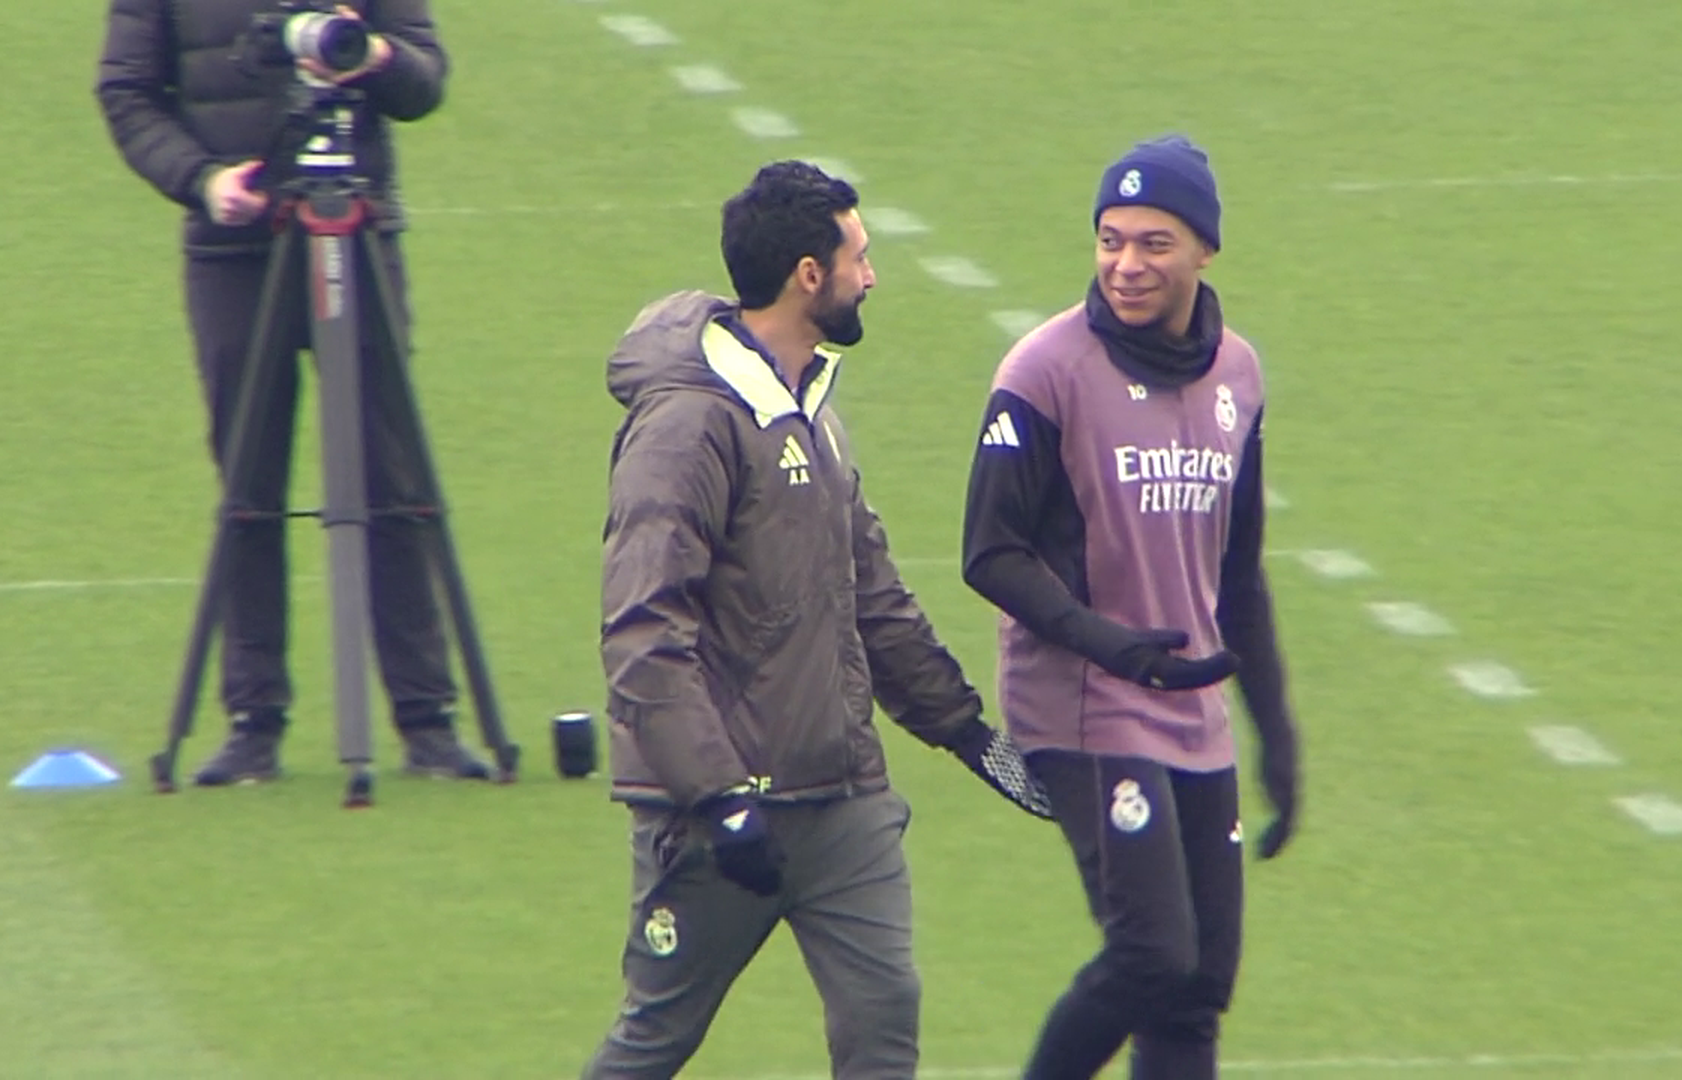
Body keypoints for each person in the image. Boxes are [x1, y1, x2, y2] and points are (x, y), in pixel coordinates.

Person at [584, 160, 1052, 1079]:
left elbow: (871, 596)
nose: (870, 276)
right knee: (654, 1043)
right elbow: (642, 630)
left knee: (884, 1020)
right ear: (809, 275)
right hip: (720, 817)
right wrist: (719, 799)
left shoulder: (811, 409)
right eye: (858, 258)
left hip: (842, 799)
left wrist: (969, 736)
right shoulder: (687, 427)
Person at [960, 134, 1302, 1079]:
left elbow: (1240, 574)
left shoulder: (1238, 376)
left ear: (1205, 250)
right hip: (1083, 705)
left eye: (1155, 243)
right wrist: (1111, 647)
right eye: (1111, 240)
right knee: (1152, 952)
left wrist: (1276, 735)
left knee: (1198, 988)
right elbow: (989, 553)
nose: (1126, 264)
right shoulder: (1043, 372)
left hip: (1191, 709)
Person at [95, 0, 490, 783]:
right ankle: (254, 720)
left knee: (389, 473)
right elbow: (127, 89)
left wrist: (373, 57)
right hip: (231, 250)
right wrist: (201, 179)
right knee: (249, 480)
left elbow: (424, 80)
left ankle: (427, 718)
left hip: (356, 225)